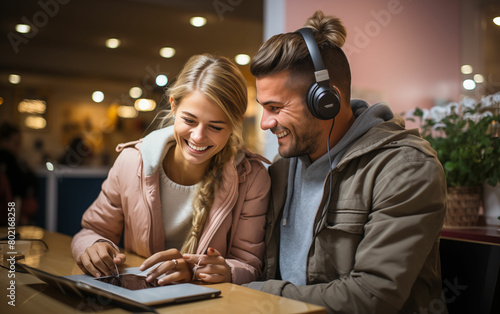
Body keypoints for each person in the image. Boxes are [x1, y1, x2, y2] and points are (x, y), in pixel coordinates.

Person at [246, 10, 447, 313]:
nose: (265, 122)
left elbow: (372, 297)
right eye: (264, 107)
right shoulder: (284, 166)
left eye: (276, 107)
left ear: (327, 101)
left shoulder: (405, 169)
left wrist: (255, 293)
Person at [71, 54, 271, 285]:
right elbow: (91, 231)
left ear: (236, 122)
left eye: (215, 126)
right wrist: (95, 246)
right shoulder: (131, 162)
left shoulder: (252, 178)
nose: (198, 136)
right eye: (189, 120)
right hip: (138, 298)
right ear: (174, 105)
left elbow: (249, 265)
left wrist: (221, 270)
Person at [0, 122, 39, 225]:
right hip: (12, 208)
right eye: (15, 143)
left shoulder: (15, 159)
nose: (18, 147)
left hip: (12, 209)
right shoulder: (7, 157)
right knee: (12, 235)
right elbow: (20, 185)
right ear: (4, 141)